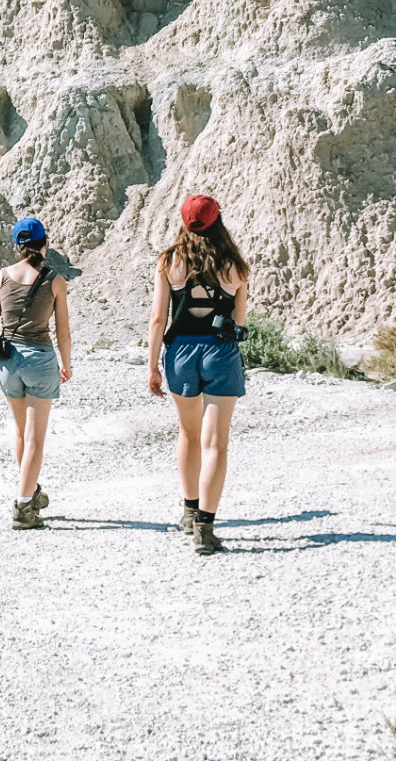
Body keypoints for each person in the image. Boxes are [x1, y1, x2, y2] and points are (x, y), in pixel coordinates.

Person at [147, 193, 249, 556]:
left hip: (180, 352)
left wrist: (152, 366)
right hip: (220, 352)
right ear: (217, 221)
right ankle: (206, 526)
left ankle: (189, 510)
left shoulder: (169, 261)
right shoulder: (235, 265)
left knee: (188, 434)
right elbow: (238, 321)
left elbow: (159, 318)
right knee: (216, 443)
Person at [0, 216, 73, 529]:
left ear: (18, 246)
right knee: (35, 438)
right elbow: (62, 330)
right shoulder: (55, 280)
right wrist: (66, 363)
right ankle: (24, 505)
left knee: (21, 432)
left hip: (7, 361)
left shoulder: (2, 276)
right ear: (45, 244)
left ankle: (32, 491)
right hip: (39, 359)